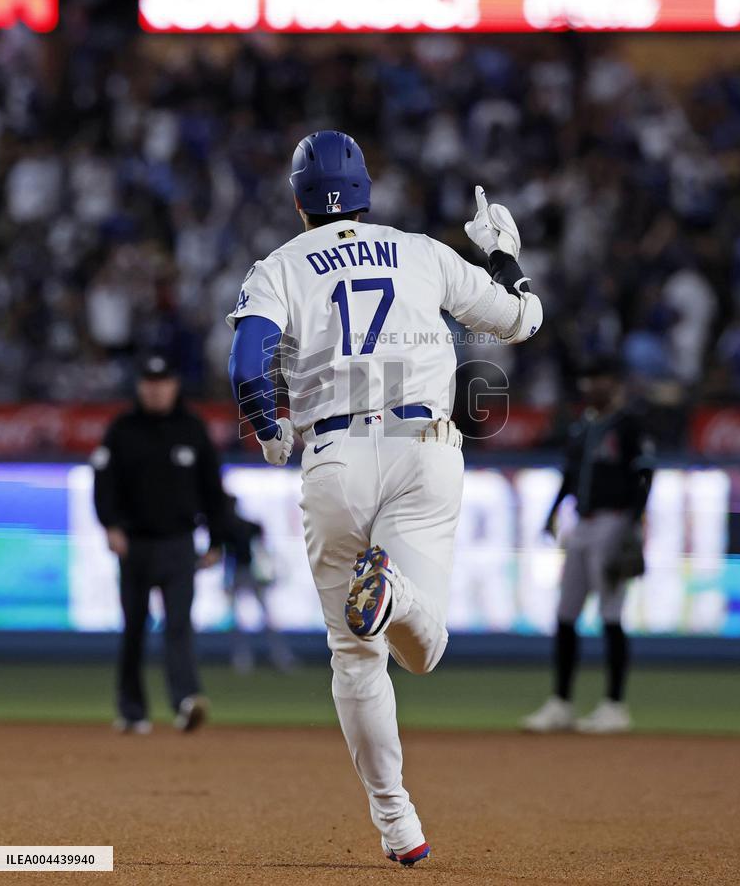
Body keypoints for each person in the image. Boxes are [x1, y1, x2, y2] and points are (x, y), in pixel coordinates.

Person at [226, 130, 543, 866]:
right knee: (420, 653)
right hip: (422, 448)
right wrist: (502, 257)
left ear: (300, 199)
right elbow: (522, 320)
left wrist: (267, 425)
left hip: (333, 456)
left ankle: (398, 825)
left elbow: (248, 360)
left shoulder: (278, 266)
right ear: (365, 190)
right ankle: (392, 594)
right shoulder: (421, 251)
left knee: (354, 654)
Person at [93, 353, 226, 734]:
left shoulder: (192, 428)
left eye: (162, 382)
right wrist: (111, 526)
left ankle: (186, 701)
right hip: (134, 544)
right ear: (140, 386)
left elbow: (212, 490)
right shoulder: (121, 429)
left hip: (179, 543)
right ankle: (132, 709)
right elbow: (104, 483)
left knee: (178, 626)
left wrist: (216, 539)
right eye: (148, 383)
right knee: (134, 627)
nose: (154, 390)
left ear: (174, 386)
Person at [521, 358, 654, 734]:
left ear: (616, 384)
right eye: (589, 379)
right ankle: (560, 703)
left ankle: (615, 705)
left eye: (601, 379)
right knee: (566, 614)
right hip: (581, 522)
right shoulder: (584, 425)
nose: (593, 386)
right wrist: (552, 512)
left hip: (614, 521)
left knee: (611, 615)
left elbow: (645, 474)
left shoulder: (628, 425)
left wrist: (633, 523)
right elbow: (569, 475)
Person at [221, 494, 296, 672]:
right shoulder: (232, 528)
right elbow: (227, 558)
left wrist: (269, 573)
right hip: (239, 573)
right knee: (238, 621)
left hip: (251, 573)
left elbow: (263, 552)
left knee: (266, 618)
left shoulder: (248, 526)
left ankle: (281, 657)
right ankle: (243, 659)